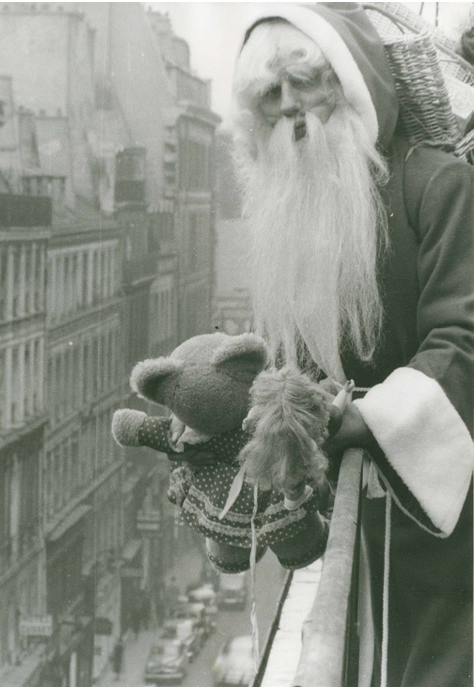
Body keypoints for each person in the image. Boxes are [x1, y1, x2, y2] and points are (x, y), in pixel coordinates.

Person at [221, 4, 472, 686]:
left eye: (305, 81)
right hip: (371, 517)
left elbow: (464, 339)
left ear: (352, 84)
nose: (290, 106)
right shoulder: (302, 211)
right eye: (269, 95)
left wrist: (361, 419)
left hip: (455, 511)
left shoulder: (438, 184)